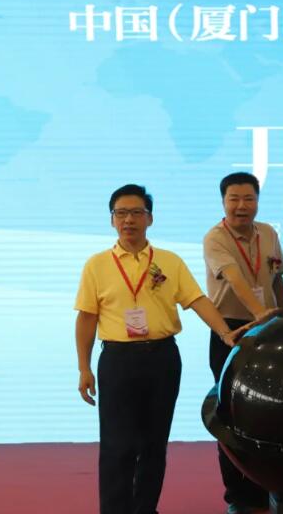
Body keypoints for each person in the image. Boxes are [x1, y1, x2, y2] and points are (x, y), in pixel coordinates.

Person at [75, 184, 243, 514]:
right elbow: (86, 318)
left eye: (136, 212)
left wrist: (224, 332)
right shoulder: (97, 265)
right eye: (121, 213)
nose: (129, 220)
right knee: (117, 444)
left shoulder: (169, 261)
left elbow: (197, 300)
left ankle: (145, 508)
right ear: (112, 220)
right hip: (118, 360)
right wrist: (84, 367)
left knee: (154, 442)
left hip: (162, 359)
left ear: (149, 218)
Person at [203, 172, 283, 514]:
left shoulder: (268, 233)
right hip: (232, 331)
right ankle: (237, 495)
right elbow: (236, 279)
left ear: (257, 201)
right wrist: (261, 314)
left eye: (248, 198)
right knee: (231, 414)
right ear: (223, 202)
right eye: (234, 199)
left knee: (270, 412)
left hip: (270, 328)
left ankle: (267, 488)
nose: (241, 206)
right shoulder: (215, 238)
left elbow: (277, 279)